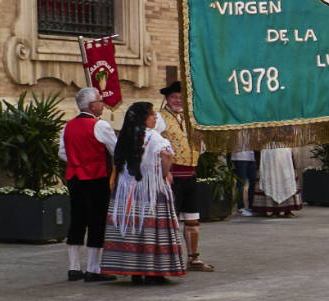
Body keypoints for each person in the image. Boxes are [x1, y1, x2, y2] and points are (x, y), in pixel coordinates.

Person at [103, 102, 188, 284]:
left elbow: (117, 161)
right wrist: (164, 174)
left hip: (126, 190)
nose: (155, 117)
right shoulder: (154, 137)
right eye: (151, 114)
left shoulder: (124, 137)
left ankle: (134, 271)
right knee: (153, 229)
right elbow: (166, 155)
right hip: (151, 188)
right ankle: (154, 271)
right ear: (143, 118)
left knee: (133, 227)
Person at [60, 87, 117, 283]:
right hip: (97, 176)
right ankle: (94, 268)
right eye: (100, 101)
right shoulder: (100, 126)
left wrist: (77, 161)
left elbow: (62, 152)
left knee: (77, 218)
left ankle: (74, 267)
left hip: (74, 177)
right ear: (92, 105)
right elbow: (115, 150)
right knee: (97, 220)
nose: (102, 104)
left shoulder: (67, 126)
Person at [157, 82, 214, 272]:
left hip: (190, 174)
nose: (178, 100)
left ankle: (194, 258)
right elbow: (150, 141)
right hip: (172, 175)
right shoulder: (159, 118)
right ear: (167, 99)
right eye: (174, 97)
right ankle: (167, 260)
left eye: (181, 98)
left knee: (193, 218)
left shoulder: (191, 119)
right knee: (169, 220)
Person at [251, 146, 302, 216]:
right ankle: (273, 209)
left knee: (287, 181)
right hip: (269, 153)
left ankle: (288, 210)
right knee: (270, 182)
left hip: (284, 154)